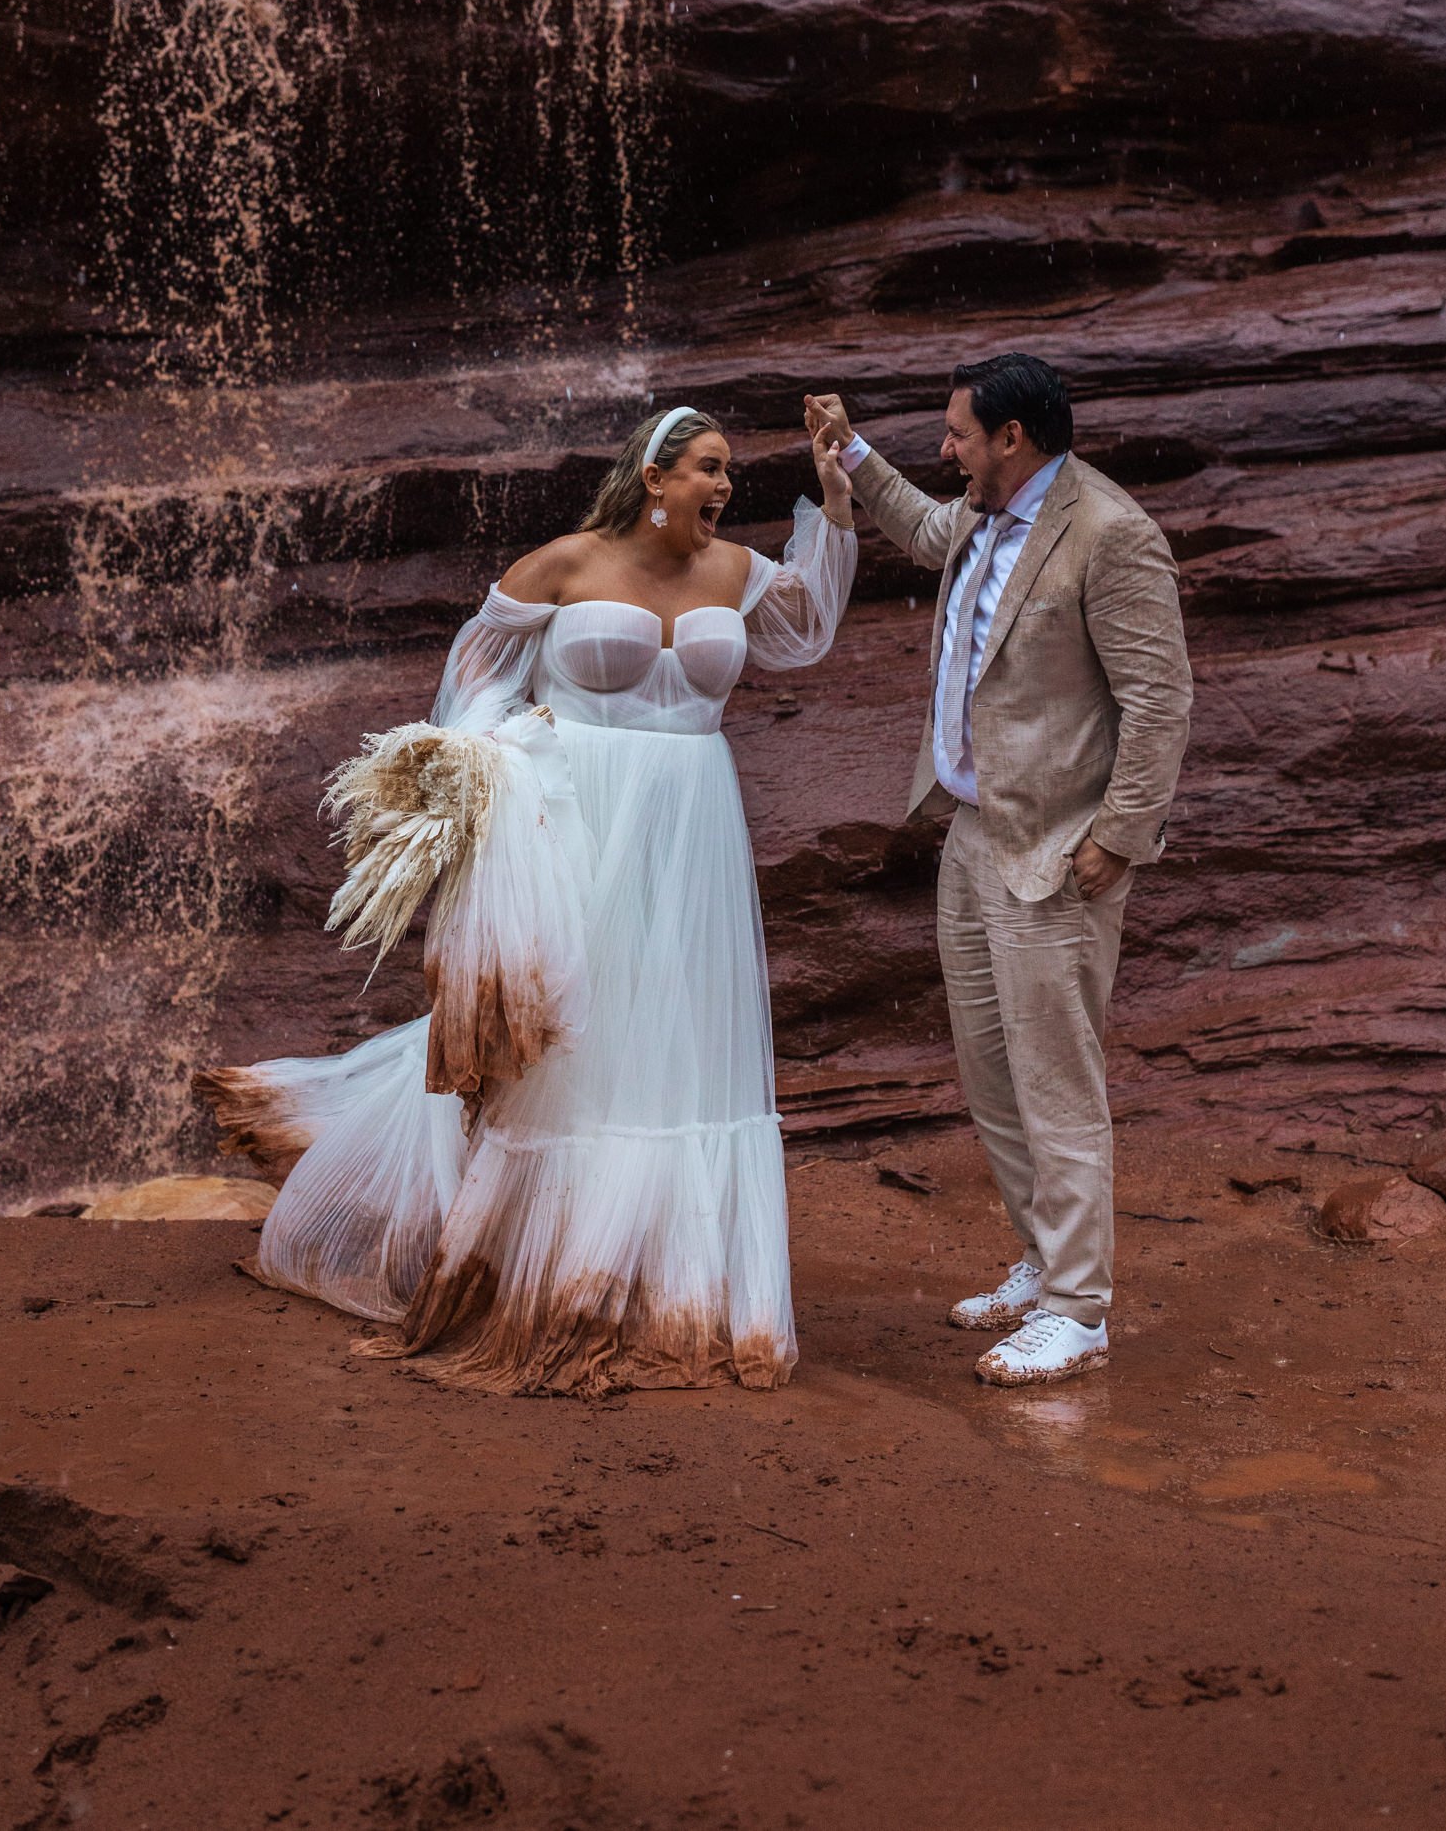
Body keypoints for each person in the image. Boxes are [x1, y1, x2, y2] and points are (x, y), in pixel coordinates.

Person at [199, 406, 856, 1396]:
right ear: (653, 474)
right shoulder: (560, 563)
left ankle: (659, 1283)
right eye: (708, 469)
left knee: (670, 1034)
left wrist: (837, 493)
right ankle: (540, 1266)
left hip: (690, 824)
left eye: (729, 475)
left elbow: (806, 622)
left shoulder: (736, 573)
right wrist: (491, 767)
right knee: (574, 1038)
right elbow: (473, 683)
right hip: (575, 812)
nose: (723, 489)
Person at [806, 356, 1191, 1387]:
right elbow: (920, 525)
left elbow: (1159, 704)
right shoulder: (981, 515)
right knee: (990, 1071)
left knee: (1054, 1082)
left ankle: (1078, 1309)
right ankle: (1041, 1259)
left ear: (1009, 438)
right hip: (973, 831)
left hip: (1056, 850)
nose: (946, 450)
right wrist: (848, 452)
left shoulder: (1108, 535)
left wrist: (1115, 838)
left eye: (957, 436)